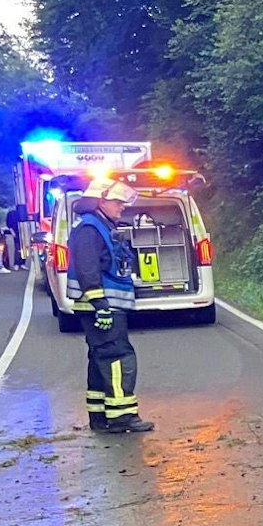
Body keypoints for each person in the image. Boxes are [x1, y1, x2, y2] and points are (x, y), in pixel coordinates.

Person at [67, 178, 154, 433]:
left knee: (100, 358)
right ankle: (122, 416)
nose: (122, 207)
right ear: (101, 202)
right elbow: (87, 268)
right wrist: (100, 304)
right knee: (118, 357)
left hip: (104, 305)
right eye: (117, 202)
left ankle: (100, 416)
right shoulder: (89, 229)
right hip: (102, 307)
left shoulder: (99, 226)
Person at [4, 204, 26, 270]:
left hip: (23, 232)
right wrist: (12, 232)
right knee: (17, 248)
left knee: (24, 248)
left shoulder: (22, 213)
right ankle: (16, 263)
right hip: (16, 232)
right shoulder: (11, 214)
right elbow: (9, 224)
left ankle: (22, 262)